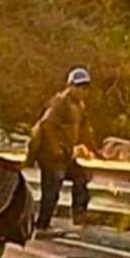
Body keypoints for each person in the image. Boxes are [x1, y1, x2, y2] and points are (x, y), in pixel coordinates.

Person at [32, 67, 98, 233]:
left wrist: (96, 151)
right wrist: (56, 149)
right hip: (51, 155)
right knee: (52, 190)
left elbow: (85, 131)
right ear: (70, 86)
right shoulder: (60, 103)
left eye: (85, 88)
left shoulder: (79, 106)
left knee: (81, 177)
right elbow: (46, 124)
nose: (83, 91)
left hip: (66, 154)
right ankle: (42, 225)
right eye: (80, 87)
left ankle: (79, 217)